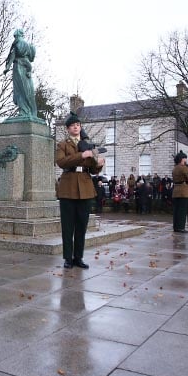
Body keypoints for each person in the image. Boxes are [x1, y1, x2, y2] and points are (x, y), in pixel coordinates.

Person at [55, 112, 105, 269]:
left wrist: (99, 163)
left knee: (82, 225)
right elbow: (61, 162)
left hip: (85, 186)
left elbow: (93, 170)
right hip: (68, 187)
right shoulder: (62, 145)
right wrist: (81, 154)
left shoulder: (87, 144)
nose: (76, 127)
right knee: (68, 225)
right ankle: (68, 258)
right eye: (72, 125)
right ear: (68, 129)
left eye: (78, 125)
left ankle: (78, 257)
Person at [4, 29, 37, 119]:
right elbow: (31, 58)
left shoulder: (17, 44)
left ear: (17, 35)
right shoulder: (28, 45)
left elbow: (12, 56)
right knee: (26, 91)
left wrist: (7, 68)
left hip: (19, 67)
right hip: (26, 68)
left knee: (20, 90)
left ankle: (24, 111)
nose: (15, 38)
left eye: (15, 36)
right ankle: (26, 110)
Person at [171, 151, 188, 233]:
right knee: (182, 210)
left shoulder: (175, 168)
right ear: (182, 159)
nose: (186, 160)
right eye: (185, 158)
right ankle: (181, 227)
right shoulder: (184, 168)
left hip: (176, 190)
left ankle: (176, 227)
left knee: (176, 210)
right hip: (183, 190)